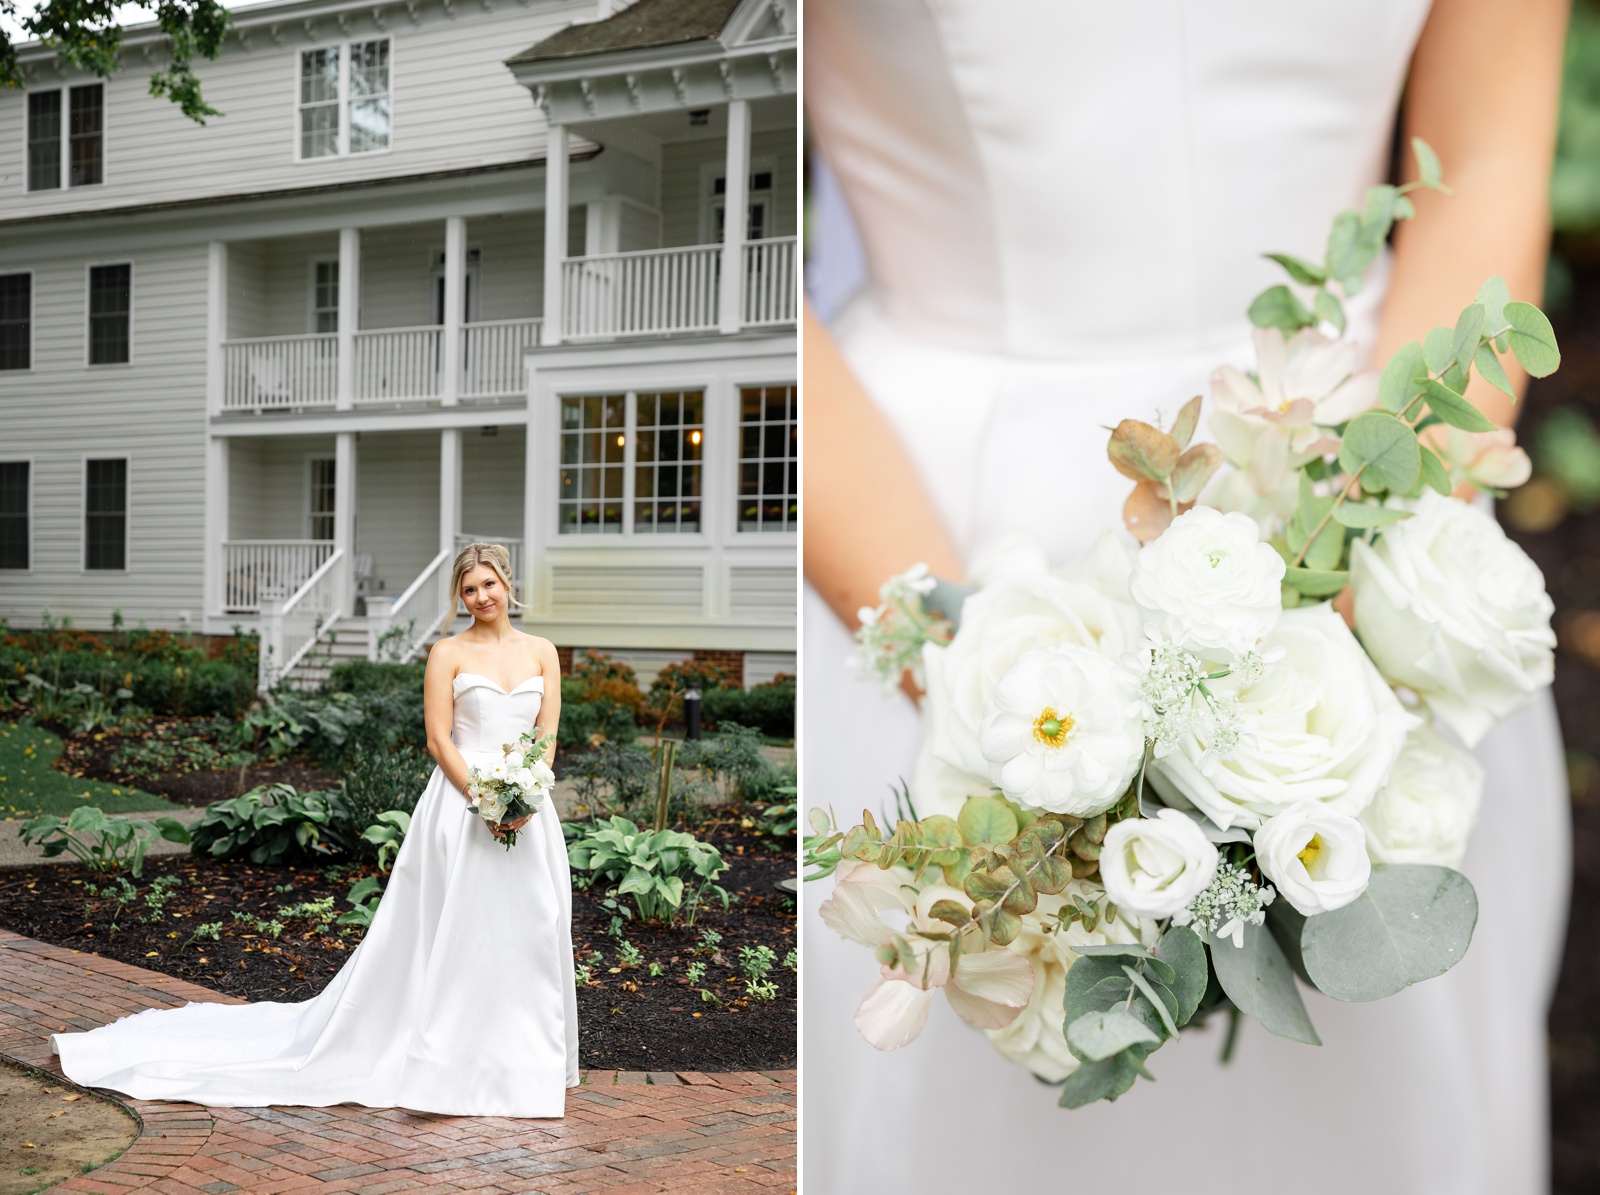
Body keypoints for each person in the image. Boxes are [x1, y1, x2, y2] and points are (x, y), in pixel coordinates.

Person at [802, 0, 1570, 1190]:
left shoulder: (1379, 530)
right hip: (918, 523)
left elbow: (1484, 152)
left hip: (1368, 502)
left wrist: (1374, 550)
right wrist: (976, 669)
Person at [53, 542, 579, 1117]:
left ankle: (526, 1057)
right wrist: (483, 799)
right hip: (462, 806)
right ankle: (448, 1055)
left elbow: (546, 735)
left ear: (506, 581)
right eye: (469, 589)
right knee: (455, 930)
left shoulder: (543, 652)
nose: (480, 597)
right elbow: (438, 740)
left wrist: (525, 791)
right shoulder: (447, 652)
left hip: (527, 808)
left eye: (488, 585)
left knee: (526, 926)